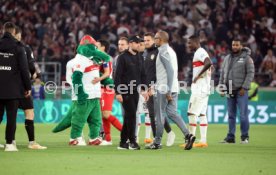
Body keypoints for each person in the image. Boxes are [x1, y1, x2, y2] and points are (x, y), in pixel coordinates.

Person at [146, 31, 195, 150]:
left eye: (156, 38)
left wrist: (166, 90)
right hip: (173, 87)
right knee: (172, 113)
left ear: (161, 40)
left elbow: (170, 71)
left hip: (164, 88)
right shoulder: (171, 51)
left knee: (160, 114)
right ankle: (188, 135)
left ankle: (157, 142)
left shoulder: (163, 52)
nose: (154, 40)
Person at [13, 26, 47, 149]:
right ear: (18, 35)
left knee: (8, 114)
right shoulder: (25, 48)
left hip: (6, 86)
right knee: (29, 113)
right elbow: (31, 67)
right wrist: (34, 75)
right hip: (22, 87)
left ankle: (10, 142)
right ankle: (32, 142)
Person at [0, 22, 31, 151]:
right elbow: (24, 69)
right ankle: (9, 144)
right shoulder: (19, 47)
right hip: (13, 89)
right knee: (11, 117)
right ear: (13, 32)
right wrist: (27, 87)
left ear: (3, 31)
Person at [219, 38, 254, 144]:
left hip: (241, 91)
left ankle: (244, 137)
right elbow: (222, 73)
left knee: (243, 115)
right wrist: (221, 87)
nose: (234, 46)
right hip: (229, 89)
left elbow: (250, 73)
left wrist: (244, 87)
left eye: (237, 45)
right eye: (233, 45)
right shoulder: (227, 58)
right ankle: (231, 137)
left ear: (241, 46)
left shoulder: (247, 58)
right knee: (231, 115)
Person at [143, 32, 175, 147]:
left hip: (155, 87)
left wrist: (154, 87)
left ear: (154, 41)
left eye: (148, 40)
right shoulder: (146, 54)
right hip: (148, 88)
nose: (146, 42)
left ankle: (158, 140)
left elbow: (160, 72)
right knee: (154, 114)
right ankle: (167, 134)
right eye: (144, 40)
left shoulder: (158, 52)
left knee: (155, 114)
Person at [114, 35, 146, 150]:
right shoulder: (122, 58)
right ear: (131, 44)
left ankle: (123, 142)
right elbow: (117, 76)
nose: (139, 45)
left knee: (129, 116)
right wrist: (118, 92)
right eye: (137, 43)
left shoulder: (140, 57)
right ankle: (133, 141)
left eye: (140, 43)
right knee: (132, 115)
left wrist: (144, 90)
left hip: (135, 91)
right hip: (125, 91)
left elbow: (142, 75)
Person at [186, 35, 213, 148]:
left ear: (196, 42)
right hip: (205, 88)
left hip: (200, 89)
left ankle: (190, 139)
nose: (188, 45)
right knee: (202, 114)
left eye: (190, 43)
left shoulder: (200, 52)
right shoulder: (200, 52)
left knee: (191, 113)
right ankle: (203, 141)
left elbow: (208, 63)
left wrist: (198, 75)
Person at [94, 39, 122, 146]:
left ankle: (126, 132)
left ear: (103, 47)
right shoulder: (99, 58)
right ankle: (108, 139)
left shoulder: (105, 58)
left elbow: (108, 73)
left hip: (107, 87)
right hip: (101, 87)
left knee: (106, 114)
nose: (95, 48)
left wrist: (98, 79)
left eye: (97, 46)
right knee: (103, 115)